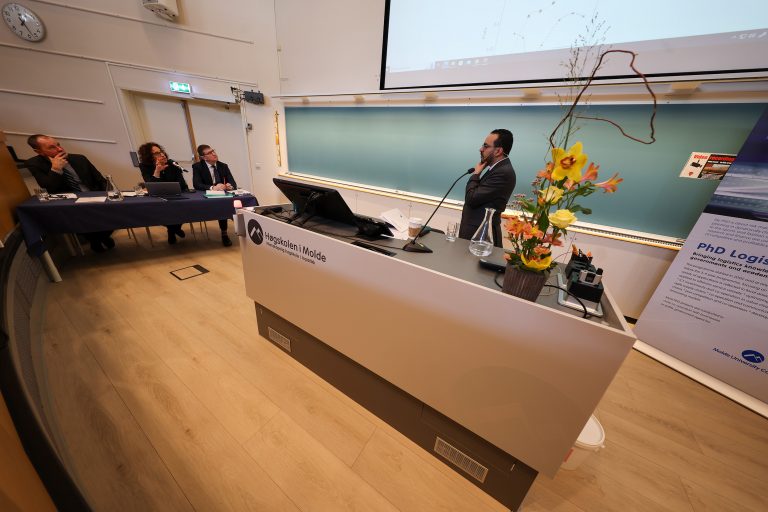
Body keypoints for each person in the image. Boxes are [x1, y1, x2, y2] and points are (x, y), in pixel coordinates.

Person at [25, 134, 116, 253]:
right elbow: (49, 187)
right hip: (68, 203)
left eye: (58, 144)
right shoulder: (34, 164)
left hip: (93, 197)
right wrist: (56, 169)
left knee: (112, 212)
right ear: (39, 151)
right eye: (52, 147)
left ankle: (99, 238)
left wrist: (108, 196)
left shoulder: (80, 158)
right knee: (80, 217)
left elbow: (100, 180)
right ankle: (97, 239)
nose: (59, 149)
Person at [459, 129, 516, 248]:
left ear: (498, 151)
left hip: (482, 239)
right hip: (476, 235)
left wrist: (476, 174)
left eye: (485, 146)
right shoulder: (496, 169)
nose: (481, 149)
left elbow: (471, 198)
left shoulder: (503, 172)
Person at [137, 142, 189, 245]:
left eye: (161, 151)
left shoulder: (172, 163)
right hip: (158, 197)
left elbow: (183, 185)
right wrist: (157, 171)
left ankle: (172, 230)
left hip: (175, 195)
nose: (161, 154)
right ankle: (174, 229)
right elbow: (151, 185)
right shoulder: (144, 166)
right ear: (149, 156)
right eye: (156, 153)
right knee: (162, 210)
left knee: (182, 207)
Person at [192, 145, 235, 246]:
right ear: (204, 157)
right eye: (210, 153)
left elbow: (233, 183)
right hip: (206, 196)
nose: (214, 154)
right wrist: (213, 187)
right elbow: (197, 184)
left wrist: (229, 186)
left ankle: (224, 233)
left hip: (222, 196)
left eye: (213, 151)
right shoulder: (198, 167)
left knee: (223, 205)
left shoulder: (223, 166)